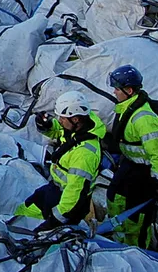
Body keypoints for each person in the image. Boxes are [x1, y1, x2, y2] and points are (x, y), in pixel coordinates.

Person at [16, 91, 105, 230]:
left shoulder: (84, 154)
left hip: (65, 202)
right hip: (55, 189)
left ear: (75, 119)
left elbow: (75, 192)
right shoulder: (81, 126)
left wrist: (55, 220)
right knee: (26, 209)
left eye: (62, 118)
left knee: (35, 233)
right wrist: (46, 126)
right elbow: (61, 132)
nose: (59, 120)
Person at [104, 65, 158, 248]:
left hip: (145, 173)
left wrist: (157, 182)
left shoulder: (143, 118)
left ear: (129, 90)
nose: (114, 92)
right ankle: (119, 237)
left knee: (137, 216)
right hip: (130, 165)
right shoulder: (127, 108)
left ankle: (139, 250)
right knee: (114, 197)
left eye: (117, 89)